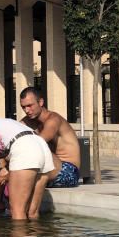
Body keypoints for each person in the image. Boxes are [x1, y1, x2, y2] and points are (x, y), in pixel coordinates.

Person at [20, 87, 82, 217]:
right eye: (23, 107)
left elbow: (38, 144)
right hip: (51, 170)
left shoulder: (53, 120)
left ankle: (32, 214)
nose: (27, 110)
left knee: (38, 151)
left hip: (68, 173)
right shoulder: (28, 121)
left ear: (41, 102)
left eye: (30, 106)